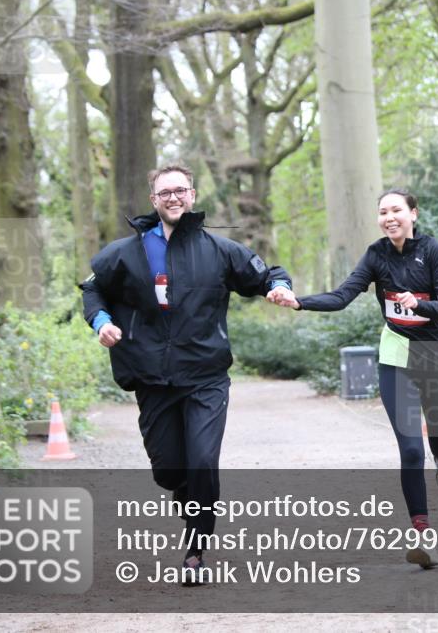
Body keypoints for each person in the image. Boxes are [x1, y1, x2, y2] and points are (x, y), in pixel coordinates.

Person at [80, 163, 295, 585]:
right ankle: (191, 497)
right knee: (168, 470)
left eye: (180, 190)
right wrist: (101, 322)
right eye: (165, 192)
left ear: (193, 195)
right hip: (152, 377)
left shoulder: (219, 250)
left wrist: (280, 287)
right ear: (153, 200)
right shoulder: (127, 252)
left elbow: (268, 273)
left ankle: (196, 550)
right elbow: (93, 288)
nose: (174, 197)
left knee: (202, 462)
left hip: (205, 376)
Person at [276, 188, 438, 569]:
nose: (389, 218)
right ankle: (423, 537)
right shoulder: (376, 255)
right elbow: (343, 296)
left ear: (413, 214)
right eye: (382, 212)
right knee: (411, 450)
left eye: (396, 210)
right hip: (396, 355)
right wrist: (299, 302)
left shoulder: (434, 251)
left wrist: (419, 304)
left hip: (437, 356)